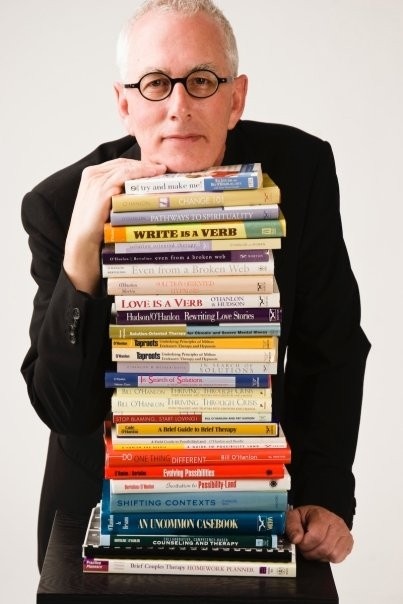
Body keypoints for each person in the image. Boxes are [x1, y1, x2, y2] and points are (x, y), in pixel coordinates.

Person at [21, 0, 370, 572]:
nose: (179, 106)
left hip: (257, 499)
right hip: (101, 503)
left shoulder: (299, 173)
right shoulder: (61, 205)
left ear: (236, 99)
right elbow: (62, 407)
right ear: (124, 103)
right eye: (156, 83)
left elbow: (331, 346)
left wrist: (326, 493)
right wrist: (80, 258)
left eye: (202, 81)